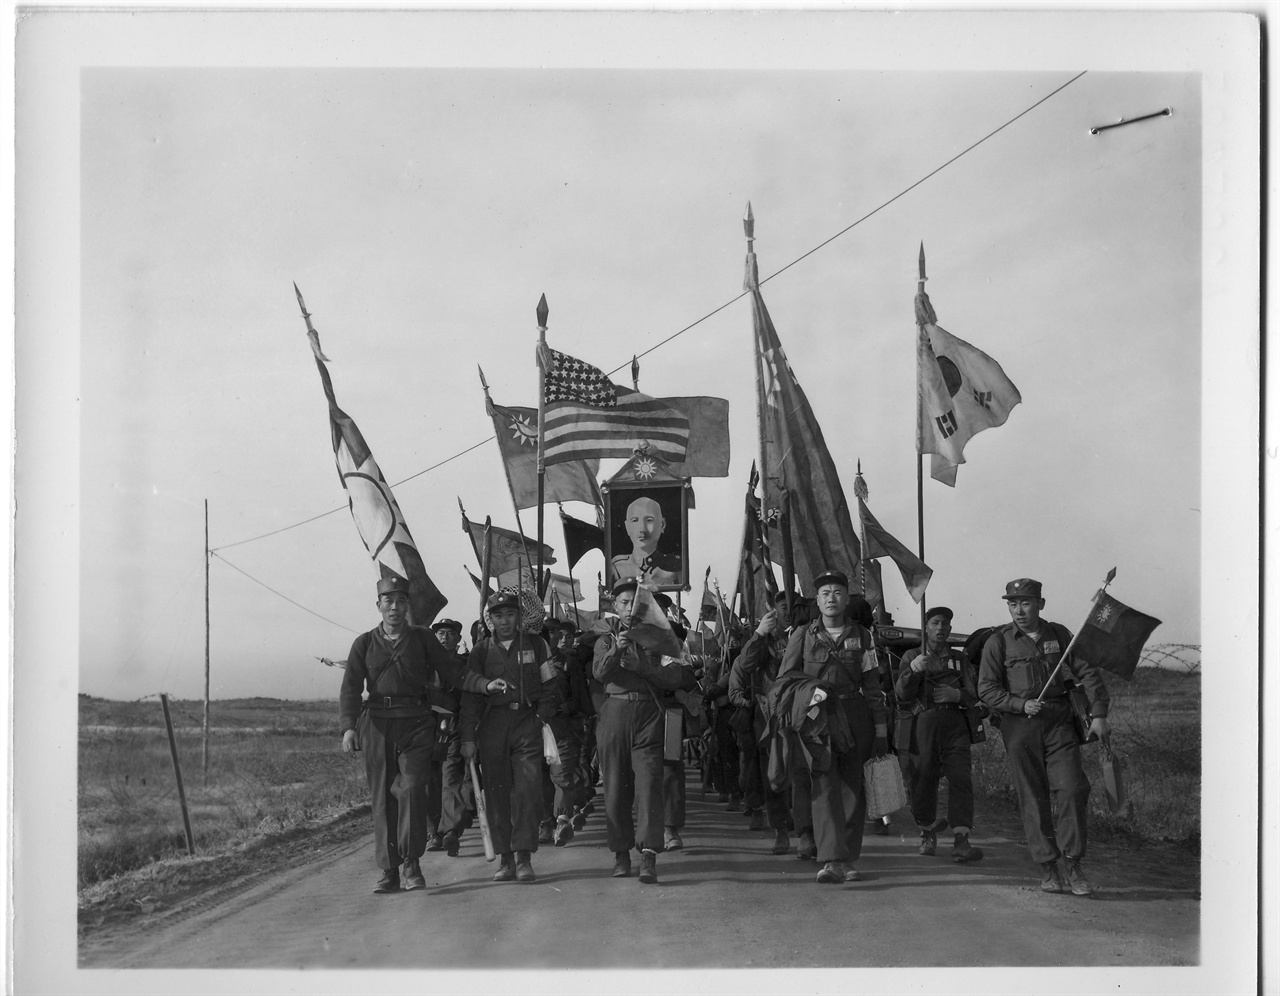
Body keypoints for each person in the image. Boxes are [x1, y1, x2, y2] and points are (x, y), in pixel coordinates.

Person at [339, 577, 508, 894]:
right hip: (376, 725)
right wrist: (349, 726)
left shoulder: (422, 639)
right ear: (379, 606)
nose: (394, 607)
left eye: (401, 601)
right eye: (388, 601)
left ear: (408, 606)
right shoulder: (363, 643)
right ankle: (389, 870)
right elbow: (350, 687)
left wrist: (484, 684)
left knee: (414, 789)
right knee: (381, 799)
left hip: (415, 723)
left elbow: (454, 672)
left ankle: (410, 862)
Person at [978, 578, 1110, 896]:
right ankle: (1049, 868)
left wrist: (1100, 713)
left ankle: (1074, 864)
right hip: (1019, 725)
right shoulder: (999, 640)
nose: (1019, 610)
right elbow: (986, 689)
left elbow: (1087, 671)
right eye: (1012, 603)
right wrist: (1019, 703)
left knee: (1073, 787)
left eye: (1025, 602)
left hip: (1058, 721)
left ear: (1040, 604)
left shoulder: (1059, 634)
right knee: (1032, 796)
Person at [775, 570, 889, 885]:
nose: (831, 598)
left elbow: (873, 685)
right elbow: (786, 681)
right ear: (818, 599)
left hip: (855, 715)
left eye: (837, 592)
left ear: (846, 597)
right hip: (818, 718)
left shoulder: (863, 637)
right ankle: (831, 859)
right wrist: (811, 691)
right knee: (824, 788)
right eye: (825, 593)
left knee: (852, 789)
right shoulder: (802, 634)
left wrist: (880, 730)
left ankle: (847, 859)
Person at [592, 578, 696, 884]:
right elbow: (599, 673)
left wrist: (643, 667)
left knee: (650, 784)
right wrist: (617, 652)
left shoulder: (661, 639)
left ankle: (648, 854)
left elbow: (676, 676)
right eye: (623, 603)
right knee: (615, 788)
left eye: (634, 603)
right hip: (615, 714)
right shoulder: (605, 639)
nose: (628, 609)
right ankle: (621, 854)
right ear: (614, 606)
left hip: (650, 717)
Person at [459, 590, 560, 884]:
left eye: (510, 614)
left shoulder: (537, 645)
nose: (504, 621)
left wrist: (539, 718)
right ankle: (505, 859)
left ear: (519, 617)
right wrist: (468, 738)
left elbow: (550, 687)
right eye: (498, 616)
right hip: (492, 727)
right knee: (496, 792)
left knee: (528, 790)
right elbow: (470, 699)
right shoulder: (480, 651)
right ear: (489, 619)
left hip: (526, 723)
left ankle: (524, 856)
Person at [894, 605, 984, 863]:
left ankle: (961, 838)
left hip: (955, 724)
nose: (941, 628)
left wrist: (956, 695)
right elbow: (901, 694)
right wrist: (913, 670)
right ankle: (927, 830)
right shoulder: (912, 654)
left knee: (960, 778)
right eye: (935, 623)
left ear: (951, 629)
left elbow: (976, 691)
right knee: (922, 779)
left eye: (945, 624)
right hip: (924, 723)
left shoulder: (960, 657)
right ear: (925, 628)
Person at [730, 591, 795, 855]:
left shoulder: (805, 634)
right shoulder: (762, 640)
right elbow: (744, 665)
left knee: (803, 775)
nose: (788, 612)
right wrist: (759, 634)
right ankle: (780, 829)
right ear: (774, 611)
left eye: (792, 607)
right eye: (783, 607)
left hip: (801, 712)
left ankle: (806, 830)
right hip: (770, 715)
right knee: (773, 772)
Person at [426, 618, 470, 857]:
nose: (445, 637)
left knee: (451, 777)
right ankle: (434, 833)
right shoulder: (425, 663)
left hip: (453, 728)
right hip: (428, 730)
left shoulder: (463, 666)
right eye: (440, 633)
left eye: (450, 634)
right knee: (429, 781)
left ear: (457, 638)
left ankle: (451, 830)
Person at [610, 496, 682, 587]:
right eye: (635, 520)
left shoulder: (677, 568)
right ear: (627, 527)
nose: (642, 529)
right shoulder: (616, 568)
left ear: (662, 525)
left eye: (649, 520)